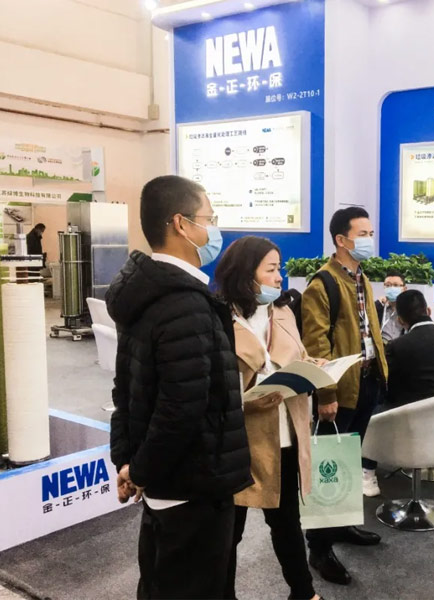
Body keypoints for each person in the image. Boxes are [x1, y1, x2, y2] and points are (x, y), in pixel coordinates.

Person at [107, 175, 252, 600]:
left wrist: (129, 464)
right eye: (209, 218)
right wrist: (139, 471)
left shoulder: (146, 292)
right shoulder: (184, 304)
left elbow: (125, 388)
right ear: (181, 224)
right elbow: (181, 408)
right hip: (194, 484)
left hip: (166, 484)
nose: (214, 229)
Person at [216, 236, 321, 600]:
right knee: (230, 530)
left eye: (280, 268)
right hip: (239, 441)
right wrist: (250, 399)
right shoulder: (218, 319)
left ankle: (304, 592)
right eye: (271, 269)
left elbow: (298, 356)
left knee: (287, 522)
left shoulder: (284, 312)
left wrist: (314, 367)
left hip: (286, 434)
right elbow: (209, 387)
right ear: (245, 273)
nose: (280, 277)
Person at [301, 206, 387, 585]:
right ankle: (319, 548)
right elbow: (316, 344)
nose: (369, 240)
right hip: (339, 389)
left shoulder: (361, 277)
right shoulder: (322, 284)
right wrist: (325, 392)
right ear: (341, 239)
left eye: (371, 233)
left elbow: (370, 330)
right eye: (363, 234)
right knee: (329, 466)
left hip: (366, 381)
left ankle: (342, 526)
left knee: (349, 459)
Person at [375, 270, 407, 343]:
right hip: (381, 347)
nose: (391, 288)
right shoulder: (379, 308)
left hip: (402, 347)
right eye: (388, 285)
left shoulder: (409, 310)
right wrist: (377, 305)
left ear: (404, 289)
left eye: (395, 285)